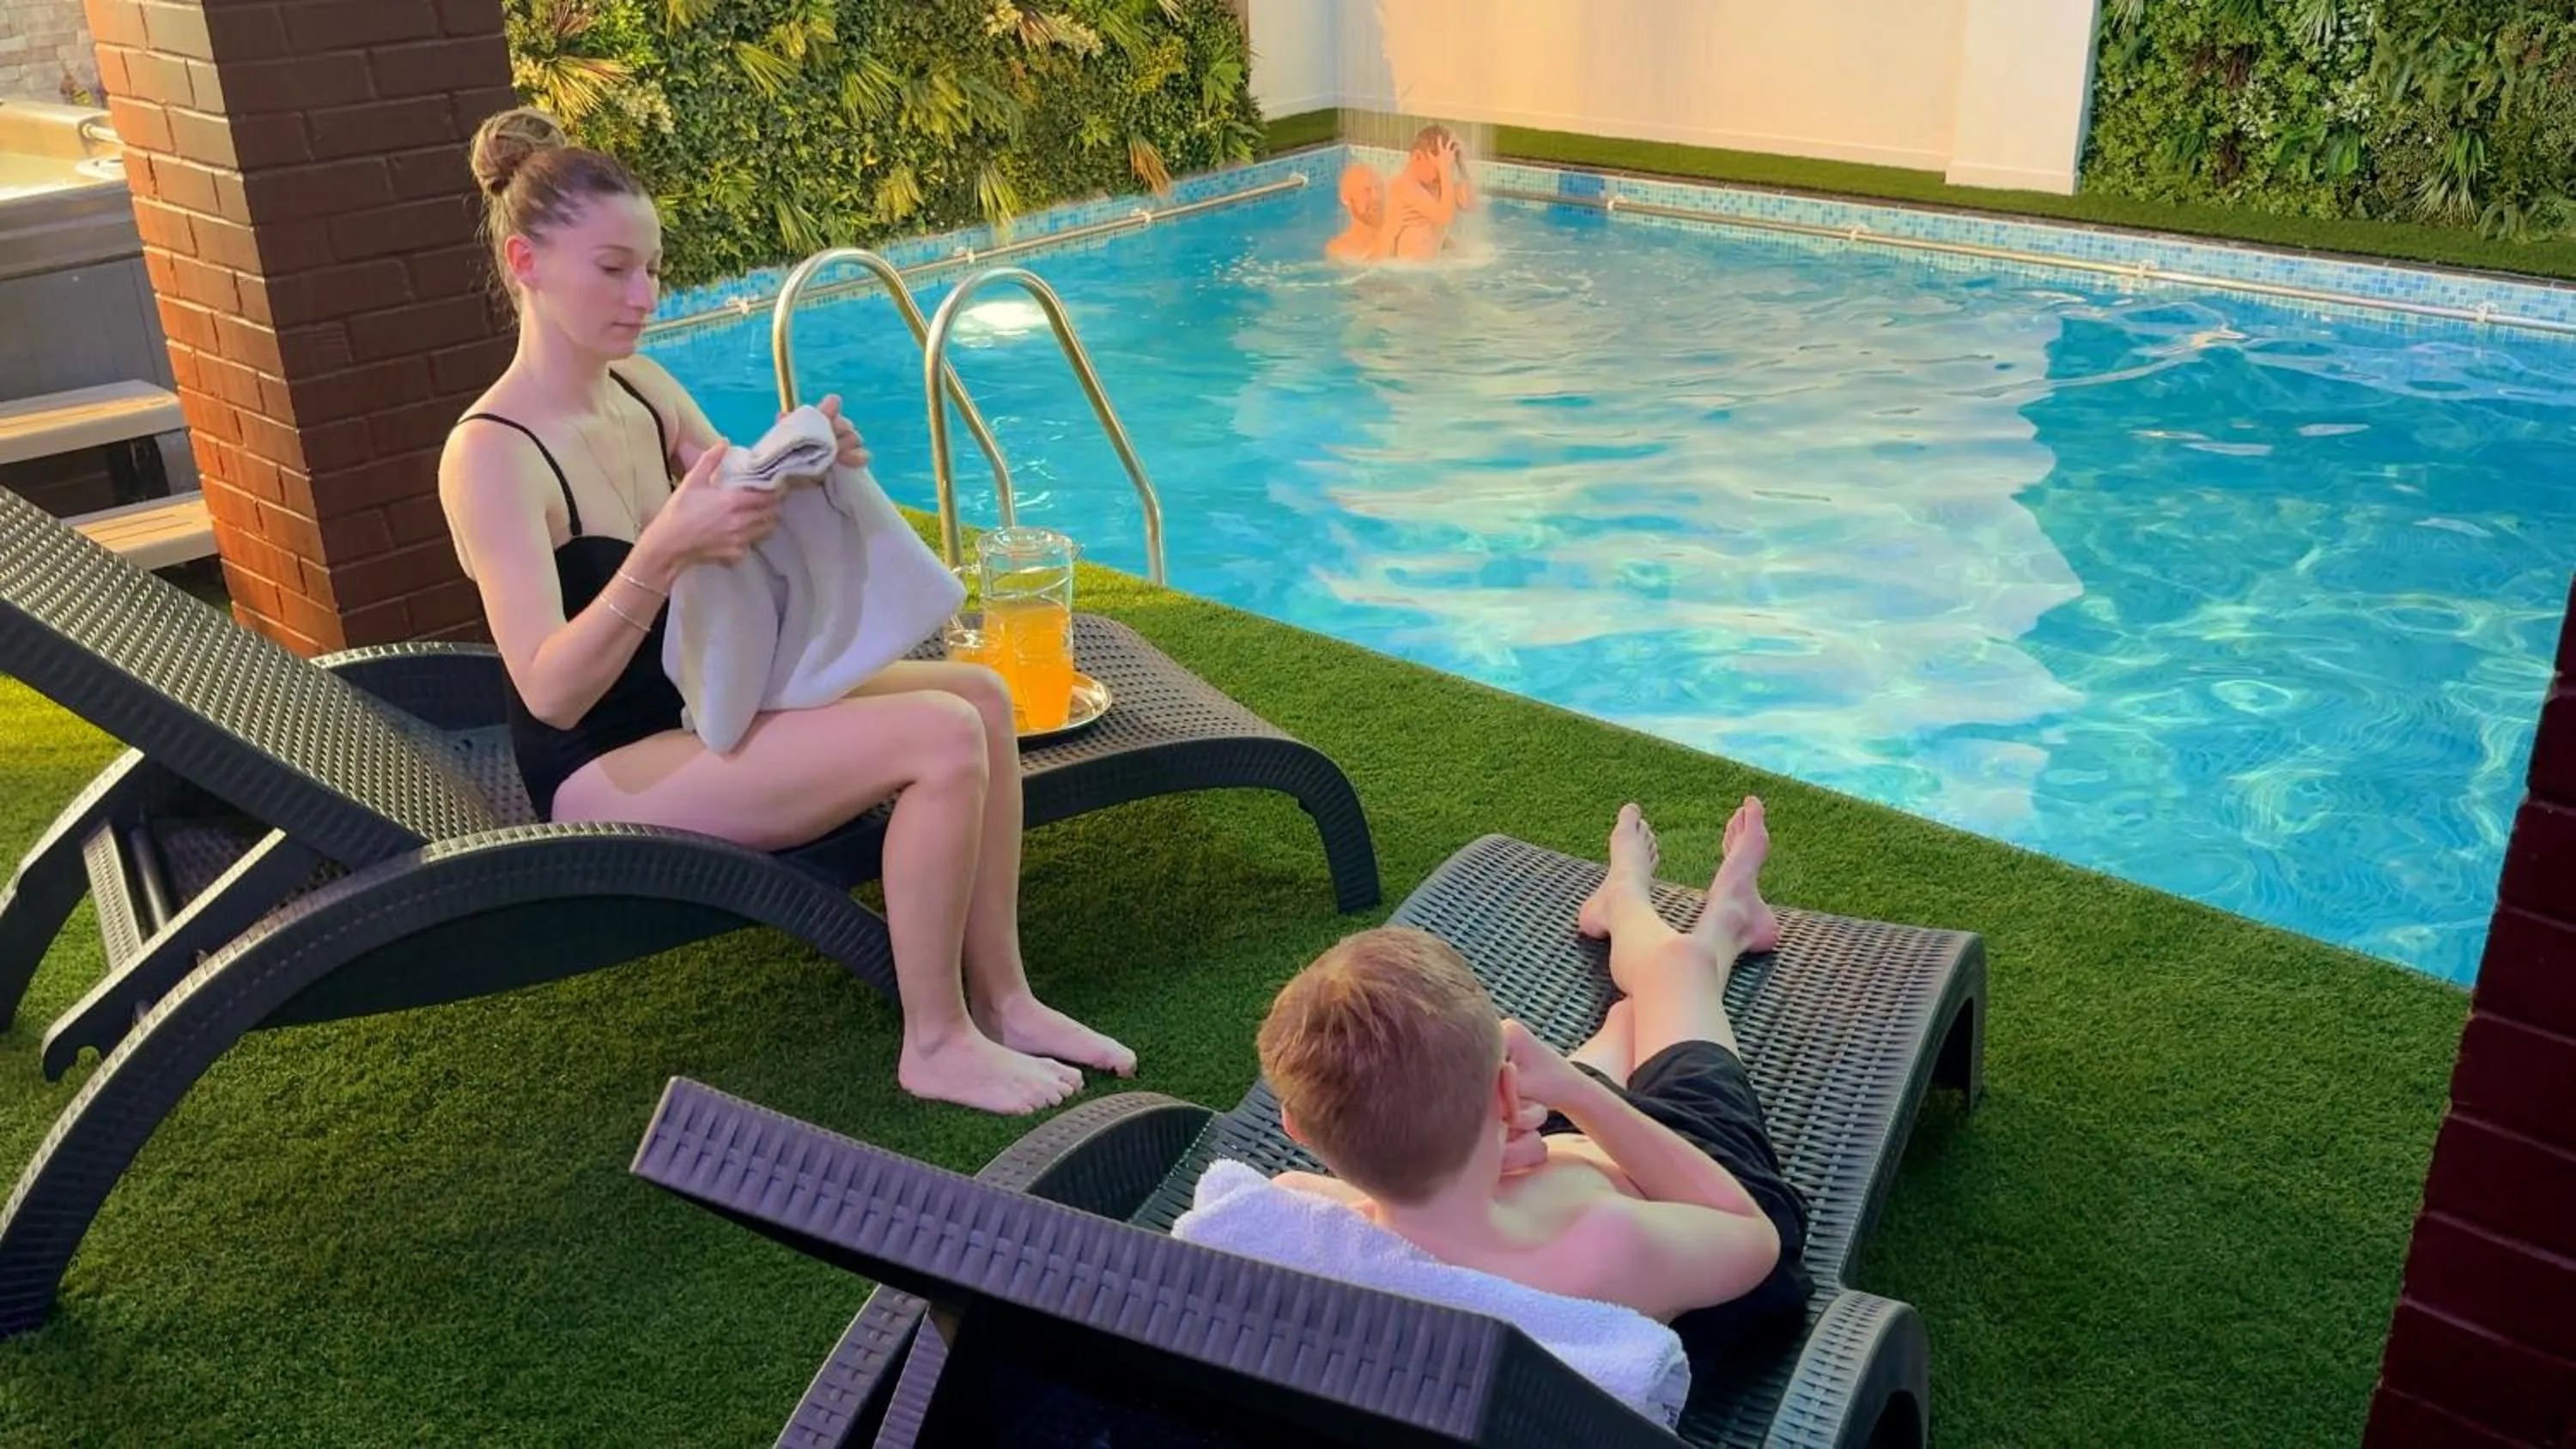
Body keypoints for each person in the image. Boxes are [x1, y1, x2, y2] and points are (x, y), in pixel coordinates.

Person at [434, 106, 1132, 1116]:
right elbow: (548, 687)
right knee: (939, 738)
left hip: (701, 704)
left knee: (979, 694)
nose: (644, 296)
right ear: (526, 262)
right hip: (604, 765)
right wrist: (667, 549)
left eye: (654, 270)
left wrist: (811, 460)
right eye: (615, 269)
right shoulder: (492, 453)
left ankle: (1008, 998)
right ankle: (934, 1041)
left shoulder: (642, 385)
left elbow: (741, 506)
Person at [1253, 795, 1813, 1350]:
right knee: (1673, 975)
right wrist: (1578, 1094)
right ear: (1505, 1092)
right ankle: (1697, 914)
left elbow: (1417, 1198)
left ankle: (1658, 911)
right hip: (1699, 1189)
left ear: (1295, 1128)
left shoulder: (1303, 1215)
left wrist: (1486, 1162)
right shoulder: (1604, 1246)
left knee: (1627, 1021)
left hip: (1512, 1175)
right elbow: (1753, 1235)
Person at [1382, 124, 1476, 262]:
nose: (1441, 179)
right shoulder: (1404, 186)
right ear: (1417, 157)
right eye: (1437, 171)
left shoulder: (1432, 184)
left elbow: (1469, 203)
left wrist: (1460, 163)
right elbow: (1445, 217)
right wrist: (1444, 170)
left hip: (1426, 270)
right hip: (1405, 275)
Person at [1324, 161, 1389, 264]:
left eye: (1380, 188)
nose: (1377, 197)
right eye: (1367, 191)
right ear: (1346, 198)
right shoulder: (1340, 248)